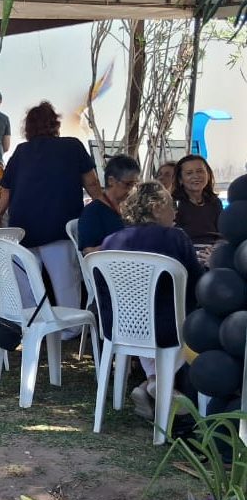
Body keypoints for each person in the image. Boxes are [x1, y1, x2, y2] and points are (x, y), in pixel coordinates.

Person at [100, 181, 202, 420]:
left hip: (120, 327)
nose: (175, 212)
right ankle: (164, 387)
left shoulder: (111, 241)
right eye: (171, 206)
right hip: (168, 329)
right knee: (195, 318)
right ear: (156, 208)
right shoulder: (175, 237)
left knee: (149, 317)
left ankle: (152, 382)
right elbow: (197, 284)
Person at [0, 101, 103, 315]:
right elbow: (91, 183)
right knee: (65, 283)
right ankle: (68, 328)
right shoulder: (72, 146)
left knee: (28, 286)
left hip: (23, 229)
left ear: (28, 128)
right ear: (55, 124)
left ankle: (33, 325)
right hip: (58, 227)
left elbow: (6, 190)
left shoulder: (21, 151)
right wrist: (104, 205)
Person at [77, 154, 141, 253]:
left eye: (135, 184)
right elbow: (88, 251)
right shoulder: (93, 212)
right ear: (111, 181)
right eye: (128, 184)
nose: (132, 189)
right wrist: (115, 244)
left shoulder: (129, 207)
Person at [173, 154, 222, 245]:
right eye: (189, 173)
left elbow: (222, 234)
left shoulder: (215, 202)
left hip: (212, 252)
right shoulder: (173, 204)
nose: (196, 176)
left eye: (200, 171)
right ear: (180, 179)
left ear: (208, 174)